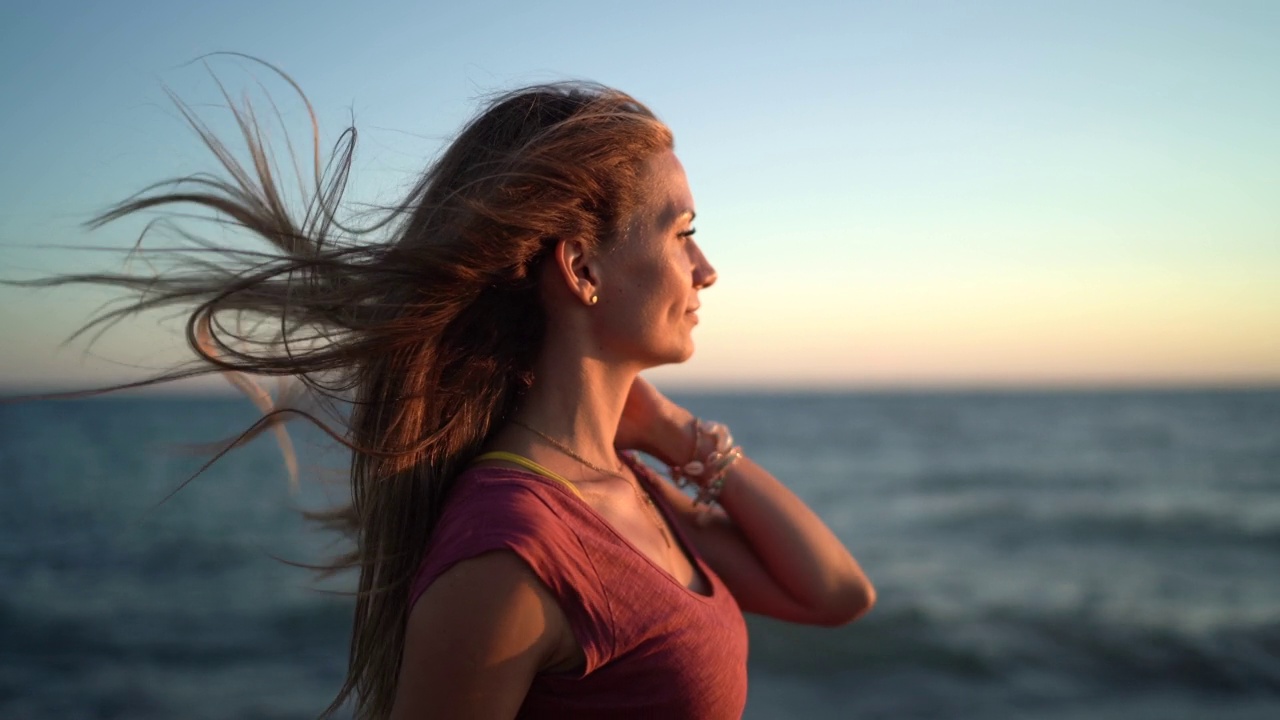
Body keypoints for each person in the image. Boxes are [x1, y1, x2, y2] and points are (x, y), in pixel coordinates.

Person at [31, 67, 874, 719]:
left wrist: (676, 435)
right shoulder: (512, 553)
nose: (707, 268)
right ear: (581, 269)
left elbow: (836, 595)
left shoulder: (625, 484)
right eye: (683, 232)